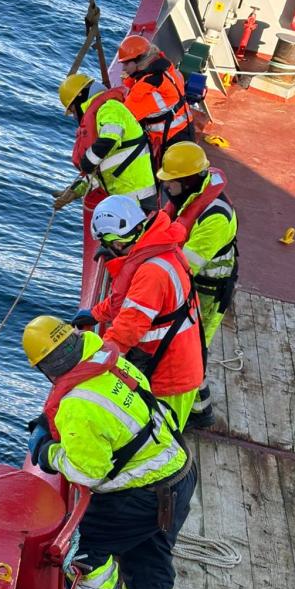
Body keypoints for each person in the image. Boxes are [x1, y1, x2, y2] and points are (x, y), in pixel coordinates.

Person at [23, 315, 197, 589]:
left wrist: (48, 452)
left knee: (84, 546)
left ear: (44, 367)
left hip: (145, 495)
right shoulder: (112, 362)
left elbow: (87, 473)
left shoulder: (77, 405)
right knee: (149, 558)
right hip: (180, 472)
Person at [73, 195, 204, 429]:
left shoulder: (151, 273)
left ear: (118, 242)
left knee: (162, 442)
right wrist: (96, 314)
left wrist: (90, 365)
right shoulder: (161, 250)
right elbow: (129, 303)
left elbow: (127, 331)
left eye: (107, 243)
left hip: (170, 376)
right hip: (179, 363)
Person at [157, 141, 238, 430]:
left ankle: (197, 413)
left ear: (188, 180)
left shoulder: (215, 216)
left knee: (193, 348)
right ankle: (200, 409)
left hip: (207, 292)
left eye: (171, 181)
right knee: (192, 346)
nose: (166, 186)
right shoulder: (192, 198)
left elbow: (186, 262)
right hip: (194, 286)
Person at [53, 73, 157, 214]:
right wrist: (73, 192)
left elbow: (109, 139)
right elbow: (101, 171)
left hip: (138, 201)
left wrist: (87, 161)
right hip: (126, 200)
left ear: (79, 99)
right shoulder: (99, 115)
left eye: (72, 110)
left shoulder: (109, 108)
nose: (75, 116)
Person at [118, 35, 195, 170]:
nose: (123, 69)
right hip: (187, 130)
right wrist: (131, 79)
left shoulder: (146, 88)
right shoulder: (169, 71)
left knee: (168, 180)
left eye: (126, 64)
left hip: (170, 141)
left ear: (138, 62)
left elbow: (124, 118)